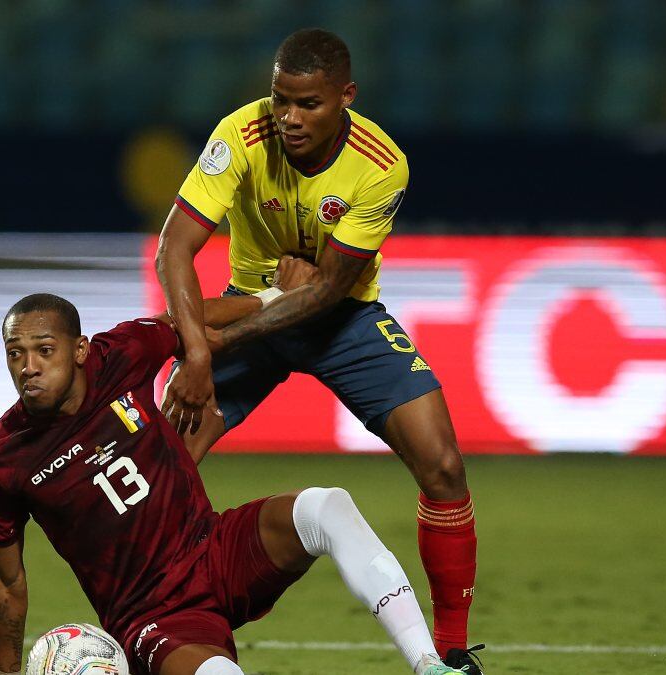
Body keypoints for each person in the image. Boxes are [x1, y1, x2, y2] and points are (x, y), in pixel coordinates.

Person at [154, 28, 482, 672]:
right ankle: (148, 620)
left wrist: (218, 342)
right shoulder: (240, 134)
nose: (290, 117)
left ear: (345, 97)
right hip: (251, 302)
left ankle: (450, 650)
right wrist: (196, 353)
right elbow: (174, 248)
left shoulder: (381, 163)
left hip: (343, 322)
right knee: (162, 467)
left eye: (309, 104)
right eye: (282, 100)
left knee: (443, 464)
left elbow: (329, 288)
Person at [0, 288, 473, 675]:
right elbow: (6, 579)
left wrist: (274, 296)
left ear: (80, 350)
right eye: (15, 354)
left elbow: (186, 319)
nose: (29, 368)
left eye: (44, 350)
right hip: (150, 614)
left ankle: (428, 664)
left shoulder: (120, 354)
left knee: (326, 507)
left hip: (214, 550)